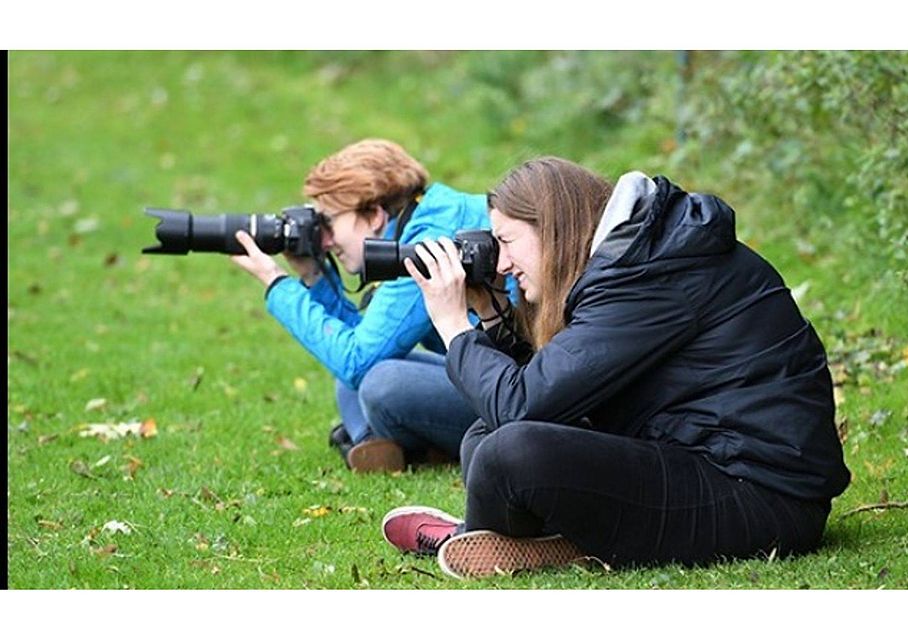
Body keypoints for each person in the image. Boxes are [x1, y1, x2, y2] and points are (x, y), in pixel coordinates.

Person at [381, 157, 851, 578]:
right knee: (483, 438)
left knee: (509, 452)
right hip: (706, 459)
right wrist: (491, 316)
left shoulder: (650, 275)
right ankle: (558, 542)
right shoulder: (640, 257)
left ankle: (481, 537)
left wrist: (450, 323)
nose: (501, 263)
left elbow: (523, 406)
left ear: (552, 228)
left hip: (763, 498)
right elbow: (557, 389)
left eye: (507, 241)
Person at [230, 139, 487, 472]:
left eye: (329, 223)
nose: (325, 240)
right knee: (357, 376)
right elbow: (361, 343)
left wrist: (275, 282)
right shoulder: (420, 221)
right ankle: (382, 445)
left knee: (382, 382)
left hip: (514, 397)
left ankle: (383, 442)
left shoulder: (427, 242)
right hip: (483, 377)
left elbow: (356, 359)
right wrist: (313, 276)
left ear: (374, 215)